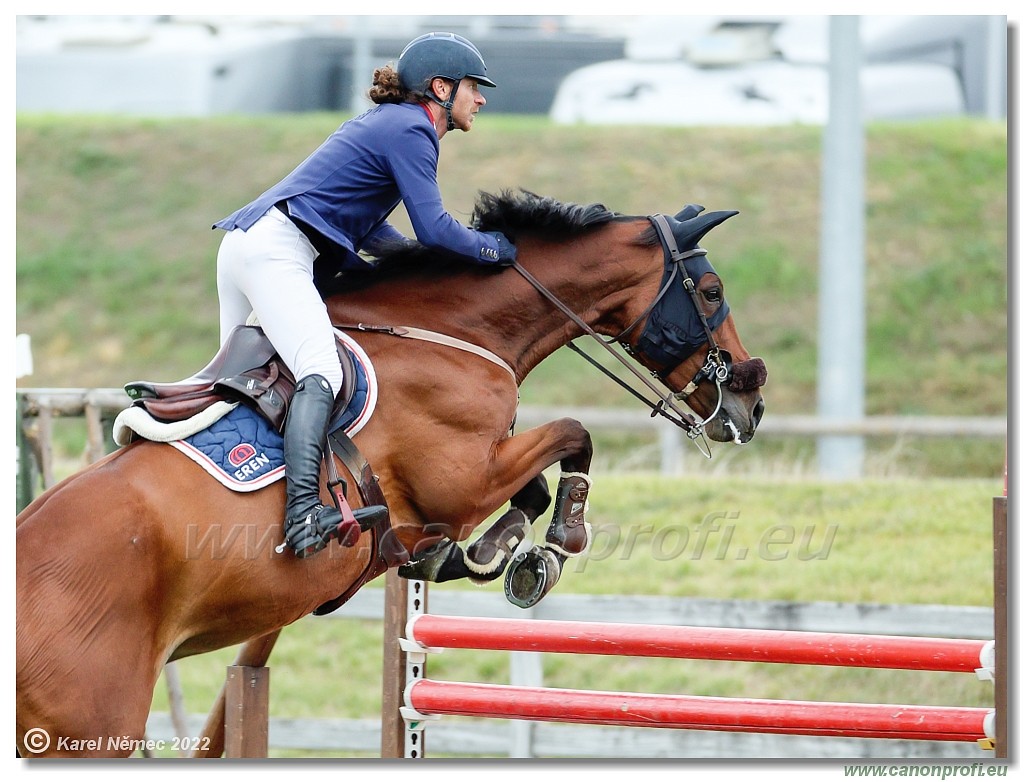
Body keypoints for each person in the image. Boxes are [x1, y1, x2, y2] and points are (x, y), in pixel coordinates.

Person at [212, 32, 517, 559]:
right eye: (473, 87)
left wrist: (413, 271)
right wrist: (497, 250)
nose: (481, 99)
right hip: (276, 251)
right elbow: (437, 229)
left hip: (248, 246)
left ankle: (228, 501)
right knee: (321, 374)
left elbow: (375, 231)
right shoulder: (412, 129)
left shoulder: (391, 125)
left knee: (235, 388)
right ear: (440, 88)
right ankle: (305, 513)